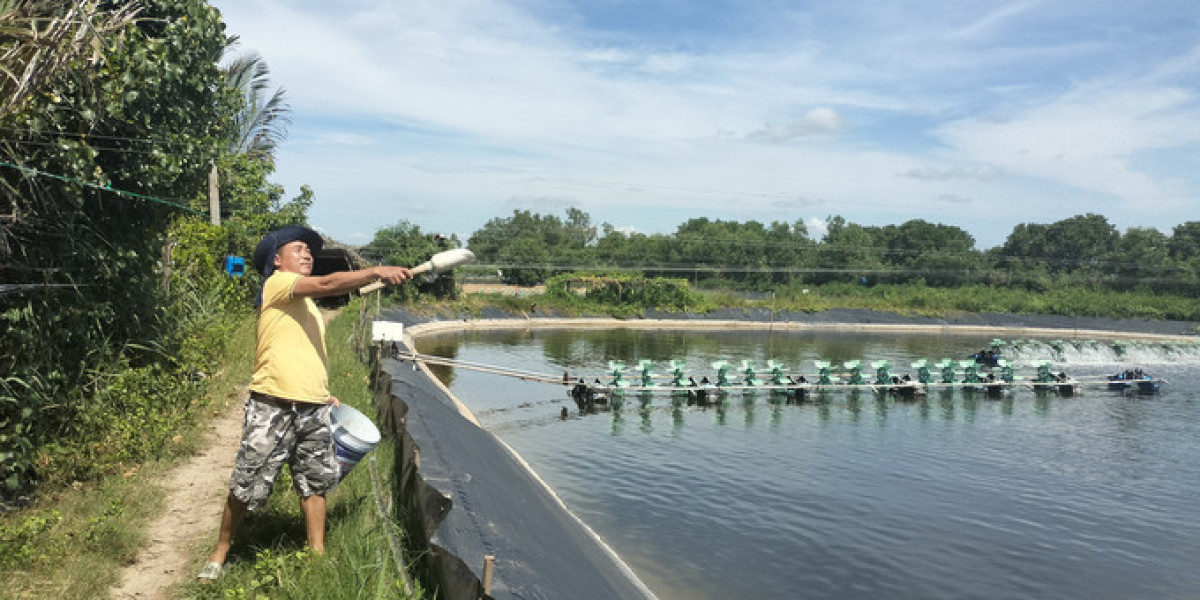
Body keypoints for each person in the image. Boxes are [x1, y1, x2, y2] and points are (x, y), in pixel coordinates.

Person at [197, 225, 411, 582]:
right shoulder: (277, 285)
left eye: (309, 250)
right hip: (273, 404)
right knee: (247, 483)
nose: (307, 254)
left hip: (313, 407)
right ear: (277, 261)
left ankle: (317, 554)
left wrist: (322, 392)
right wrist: (374, 270)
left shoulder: (308, 307)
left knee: (315, 482)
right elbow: (328, 284)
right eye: (298, 249)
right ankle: (219, 552)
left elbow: (306, 351)